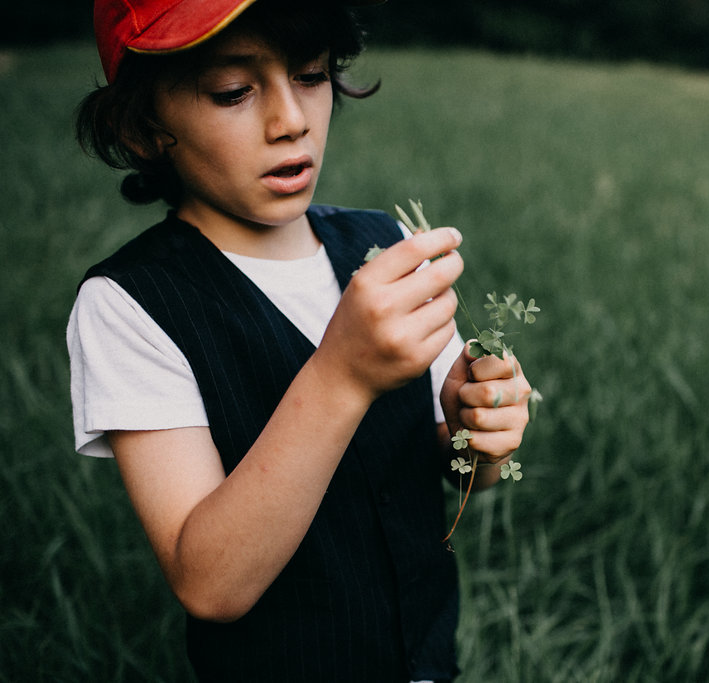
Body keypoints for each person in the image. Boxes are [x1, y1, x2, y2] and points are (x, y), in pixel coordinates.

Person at [67, 0, 532, 680]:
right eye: (233, 91)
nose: (291, 122)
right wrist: (341, 374)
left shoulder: (386, 249)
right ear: (141, 126)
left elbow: (454, 469)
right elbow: (210, 584)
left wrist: (477, 431)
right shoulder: (131, 305)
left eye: (312, 75)